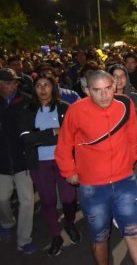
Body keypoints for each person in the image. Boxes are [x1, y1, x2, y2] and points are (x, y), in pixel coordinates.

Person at [55, 71, 137, 265]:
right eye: (97, 90)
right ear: (88, 91)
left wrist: (131, 158)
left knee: (136, 234)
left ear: (114, 86)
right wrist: (68, 171)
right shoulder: (76, 110)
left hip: (124, 181)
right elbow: (64, 144)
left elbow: (132, 134)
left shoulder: (125, 103)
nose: (104, 95)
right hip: (93, 187)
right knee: (100, 238)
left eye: (108, 88)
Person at [18, 73, 80, 256]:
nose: (43, 89)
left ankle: (69, 223)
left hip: (64, 161)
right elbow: (25, 139)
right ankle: (56, 236)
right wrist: (54, 132)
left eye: (47, 85)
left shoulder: (64, 107)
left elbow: (74, 134)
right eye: (39, 85)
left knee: (69, 199)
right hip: (40, 163)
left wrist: (39, 136)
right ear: (34, 89)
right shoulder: (28, 110)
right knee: (48, 201)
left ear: (54, 87)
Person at [0, 68, 36, 254]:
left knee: (28, 201)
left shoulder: (27, 100)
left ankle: (24, 239)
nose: (13, 86)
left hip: (23, 162)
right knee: (2, 198)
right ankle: (7, 222)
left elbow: (35, 127)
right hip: (2, 163)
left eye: (14, 82)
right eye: (8, 83)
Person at [108, 64, 137, 193]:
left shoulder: (135, 98)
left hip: (134, 148)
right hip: (111, 151)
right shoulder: (104, 100)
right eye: (115, 76)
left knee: (135, 187)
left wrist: (131, 137)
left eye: (122, 76)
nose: (119, 79)